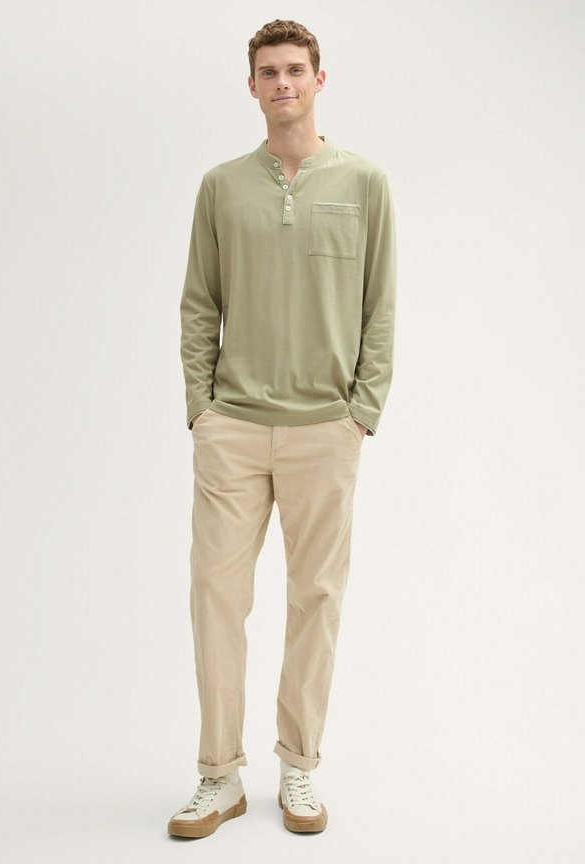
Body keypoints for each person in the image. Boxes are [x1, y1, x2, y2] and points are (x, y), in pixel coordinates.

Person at [167, 18, 397, 839]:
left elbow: (380, 306)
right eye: (268, 72)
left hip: (324, 430)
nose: (283, 84)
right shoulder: (222, 187)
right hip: (232, 428)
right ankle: (218, 776)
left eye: (295, 70)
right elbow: (200, 303)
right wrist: (202, 408)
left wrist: (361, 411)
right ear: (252, 86)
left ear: (319, 79)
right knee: (215, 598)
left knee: (316, 598)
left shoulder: (364, 182)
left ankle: (298, 765)